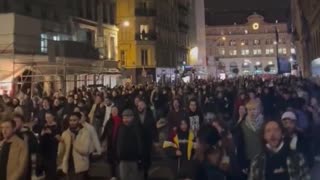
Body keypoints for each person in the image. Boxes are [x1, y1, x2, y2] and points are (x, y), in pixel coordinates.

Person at [58, 112, 92, 180]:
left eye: (74, 120)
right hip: (68, 166)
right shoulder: (65, 133)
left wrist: (74, 142)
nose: (72, 122)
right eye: (70, 120)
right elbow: (61, 152)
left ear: (79, 120)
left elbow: (85, 151)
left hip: (80, 167)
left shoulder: (85, 133)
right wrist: (61, 142)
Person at [117, 109, 143, 180]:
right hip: (123, 159)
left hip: (133, 159)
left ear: (132, 117)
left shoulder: (136, 128)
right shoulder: (121, 128)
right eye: (124, 117)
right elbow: (118, 142)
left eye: (127, 117)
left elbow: (139, 143)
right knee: (123, 177)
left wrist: (139, 156)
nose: (125, 119)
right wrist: (119, 155)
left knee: (133, 177)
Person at [136, 100, 158, 180]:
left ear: (144, 106)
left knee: (147, 157)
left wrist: (156, 139)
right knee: (139, 156)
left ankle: (146, 172)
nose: (140, 107)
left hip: (147, 139)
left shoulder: (149, 114)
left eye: (141, 105)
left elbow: (154, 126)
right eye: (139, 105)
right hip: (138, 139)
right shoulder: (135, 115)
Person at [13, 114, 38, 180]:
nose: (15, 123)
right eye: (14, 121)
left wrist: (26, 142)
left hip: (25, 163)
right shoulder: (11, 133)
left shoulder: (28, 134)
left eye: (17, 121)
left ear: (22, 122)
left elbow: (34, 148)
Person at [101, 106, 122, 179]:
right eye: (113, 110)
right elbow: (105, 131)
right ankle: (113, 175)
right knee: (112, 161)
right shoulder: (109, 121)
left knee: (118, 160)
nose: (114, 112)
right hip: (111, 143)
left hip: (119, 143)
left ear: (118, 111)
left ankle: (120, 175)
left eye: (115, 110)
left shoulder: (121, 121)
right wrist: (102, 139)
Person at [39, 111, 61, 180]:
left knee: (52, 169)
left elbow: (59, 139)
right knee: (46, 169)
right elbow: (41, 140)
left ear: (53, 117)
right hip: (45, 151)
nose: (47, 119)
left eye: (49, 117)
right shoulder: (44, 126)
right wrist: (42, 134)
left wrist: (51, 133)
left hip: (53, 150)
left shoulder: (57, 126)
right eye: (46, 118)